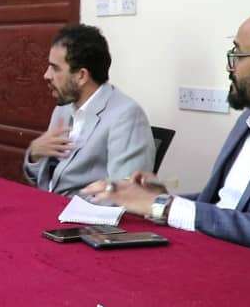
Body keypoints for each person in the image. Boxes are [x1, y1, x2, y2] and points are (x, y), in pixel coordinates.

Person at [83, 9, 250, 268]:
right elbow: (224, 202)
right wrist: (158, 197)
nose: (229, 67)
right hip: (218, 258)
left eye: (237, 55)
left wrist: (163, 207)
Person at [23, 25, 155, 195]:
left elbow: (127, 194)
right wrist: (35, 154)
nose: (46, 75)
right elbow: (43, 182)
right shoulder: (63, 109)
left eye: (55, 68)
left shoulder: (126, 116)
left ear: (81, 76)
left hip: (81, 211)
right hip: (46, 204)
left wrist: (68, 207)